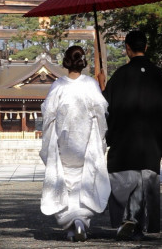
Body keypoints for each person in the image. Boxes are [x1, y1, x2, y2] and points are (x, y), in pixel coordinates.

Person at [98, 30, 162, 241]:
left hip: (124, 142)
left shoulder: (119, 75)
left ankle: (128, 219)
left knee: (123, 180)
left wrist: (101, 86)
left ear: (127, 48)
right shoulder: (159, 75)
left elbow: (104, 108)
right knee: (146, 179)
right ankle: (137, 221)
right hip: (150, 141)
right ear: (146, 47)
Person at [40, 45, 110, 242]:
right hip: (86, 141)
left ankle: (72, 225)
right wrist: (101, 85)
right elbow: (101, 111)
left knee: (64, 180)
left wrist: (49, 141)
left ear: (66, 61)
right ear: (82, 62)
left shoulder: (58, 86)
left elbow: (48, 114)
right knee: (85, 180)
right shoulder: (90, 84)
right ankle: (80, 221)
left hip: (64, 143)